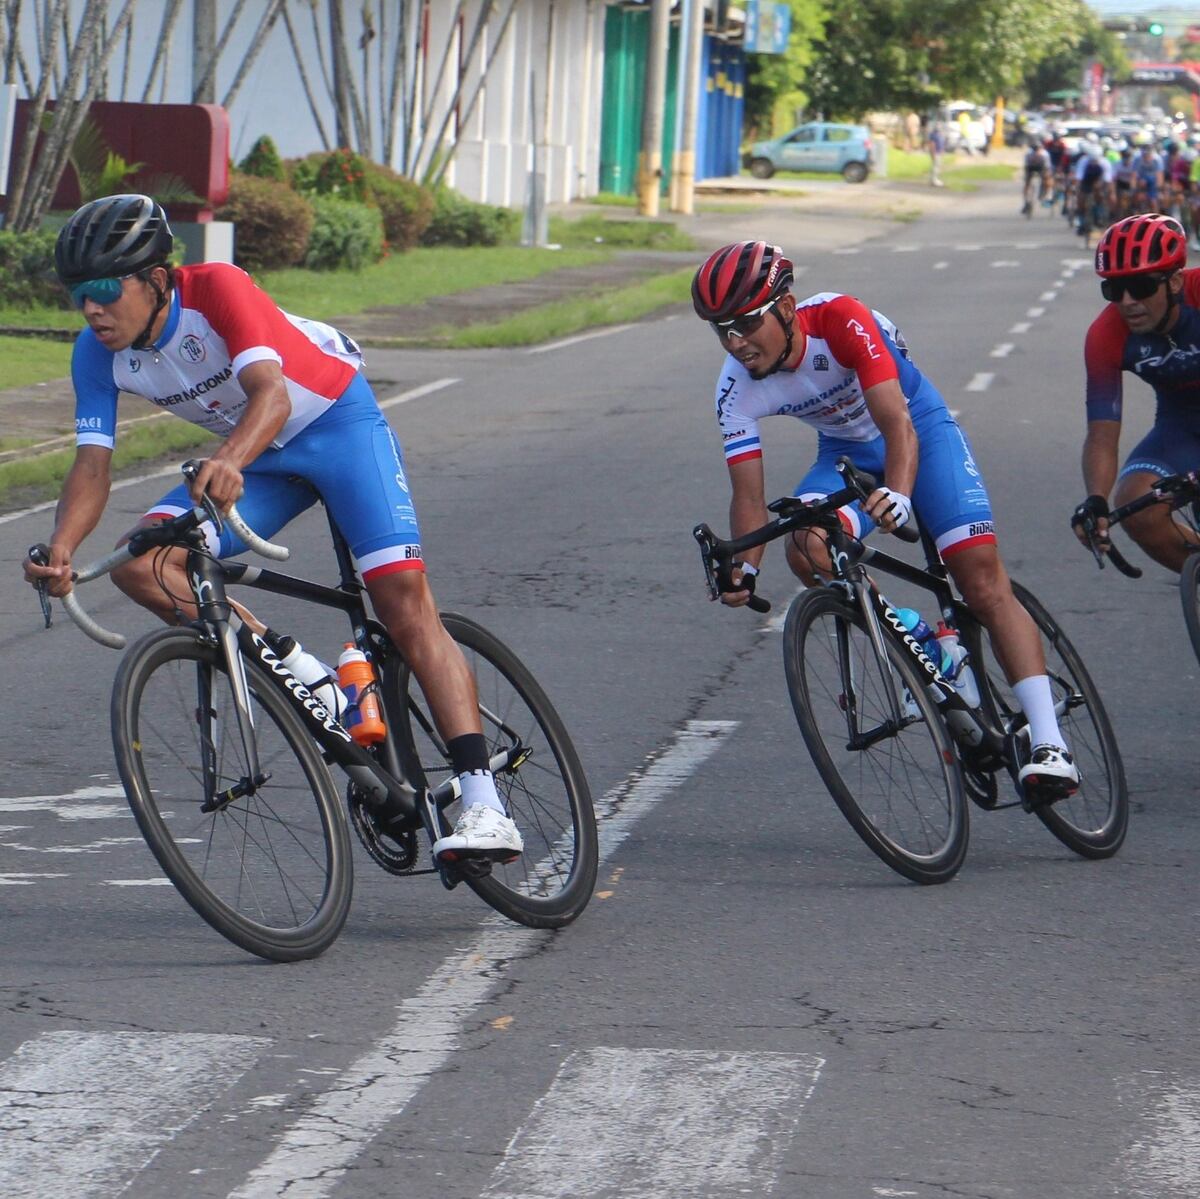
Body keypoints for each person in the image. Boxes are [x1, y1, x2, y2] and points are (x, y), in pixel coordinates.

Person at [20, 193, 523, 865]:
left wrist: (229, 460)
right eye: (78, 293)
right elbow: (92, 463)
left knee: (403, 604)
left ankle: (485, 803)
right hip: (263, 456)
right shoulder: (95, 354)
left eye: (105, 289)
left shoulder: (217, 289)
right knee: (145, 563)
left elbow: (273, 394)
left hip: (336, 426)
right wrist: (62, 548)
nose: (90, 308)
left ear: (157, 278)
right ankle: (312, 679)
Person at [692, 240, 1080, 798]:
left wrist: (898, 493)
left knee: (978, 580)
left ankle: (1049, 743)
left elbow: (899, 425)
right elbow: (748, 497)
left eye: (747, 323)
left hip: (919, 429)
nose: (736, 341)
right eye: (722, 329)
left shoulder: (840, 319)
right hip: (844, 453)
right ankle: (921, 640)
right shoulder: (734, 386)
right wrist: (744, 567)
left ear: (786, 306)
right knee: (806, 545)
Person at [1073, 213, 1200, 572]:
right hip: (1180, 424)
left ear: (1174, 281)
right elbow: (1101, 435)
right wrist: (1095, 500)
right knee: (1136, 505)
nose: (1127, 301)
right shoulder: (1105, 335)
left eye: (1141, 286)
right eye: (1114, 290)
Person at [927, 121, 945, 188]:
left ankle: (933, 179)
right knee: (935, 167)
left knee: (938, 166)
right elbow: (932, 145)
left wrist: (942, 151)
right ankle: (934, 180)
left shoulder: (940, 134)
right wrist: (933, 153)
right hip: (936, 153)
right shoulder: (933, 135)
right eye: (938, 125)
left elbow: (941, 143)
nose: (939, 127)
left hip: (939, 152)